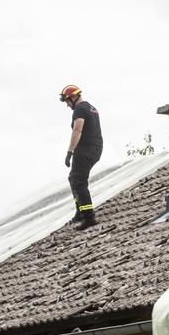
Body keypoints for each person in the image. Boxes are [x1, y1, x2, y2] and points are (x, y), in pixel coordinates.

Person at [59, 84, 103, 230]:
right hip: (95, 149)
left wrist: (70, 152)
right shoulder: (91, 108)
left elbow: (77, 130)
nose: (67, 105)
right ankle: (81, 211)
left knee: (79, 181)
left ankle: (89, 217)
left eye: (66, 101)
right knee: (73, 178)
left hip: (85, 150)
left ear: (73, 97)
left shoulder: (79, 109)